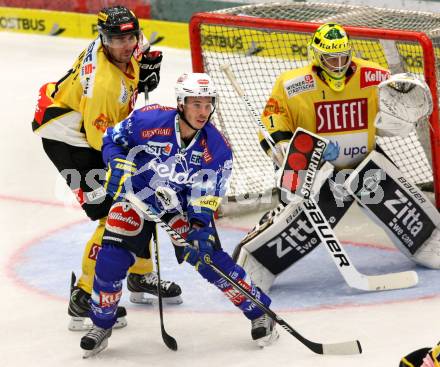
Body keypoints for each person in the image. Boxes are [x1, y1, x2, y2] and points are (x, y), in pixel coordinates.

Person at [79, 72, 279, 358]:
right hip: (139, 193)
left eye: (208, 104)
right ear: (181, 103)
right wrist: (116, 163)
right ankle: (101, 324)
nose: (203, 111)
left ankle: (259, 309)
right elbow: (113, 138)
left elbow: (205, 198)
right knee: (112, 256)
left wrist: (197, 227)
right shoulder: (149, 120)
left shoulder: (217, 149)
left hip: (179, 205)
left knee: (208, 259)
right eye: (196, 104)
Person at [233, 22, 440, 292]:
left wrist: (401, 116)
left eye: (344, 56)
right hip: (319, 169)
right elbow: (274, 116)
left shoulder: (373, 76)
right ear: (317, 56)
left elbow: (391, 116)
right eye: (331, 58)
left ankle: (430, 240)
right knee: (296, 227)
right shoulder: (294, 84)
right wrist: (281, 145)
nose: (339, 63)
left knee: (403, 209)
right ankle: (257, 263)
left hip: (364, 163)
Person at [31, 5, 181, 331]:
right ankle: (84, 298)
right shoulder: (103, 85)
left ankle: (140, 274)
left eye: (131, 37)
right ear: (104, 39)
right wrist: (140, 155)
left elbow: (134, 61)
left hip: (81, 125)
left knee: (140, 195)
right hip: (71, 142)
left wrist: (142, 73)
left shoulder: (122, 51)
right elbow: (103, 142)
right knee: (116, 213)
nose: (127, 46)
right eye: (117, 40)